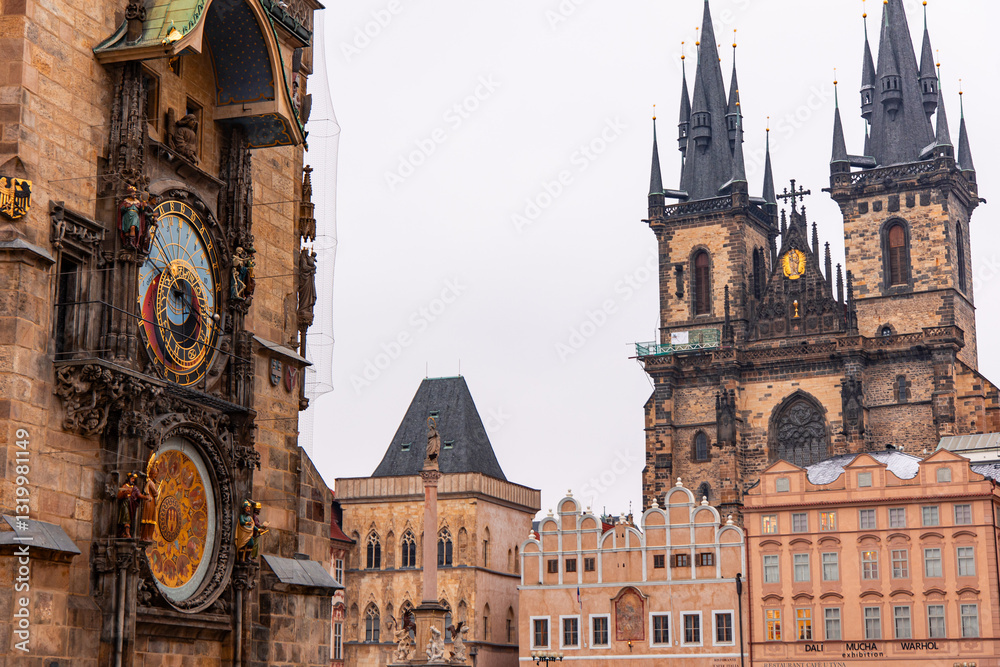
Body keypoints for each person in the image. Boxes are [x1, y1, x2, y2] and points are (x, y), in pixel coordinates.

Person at [139, 454, 160, 542]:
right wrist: (158, 492)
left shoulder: (152, 482)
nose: (155, 475)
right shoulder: (150, 482)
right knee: (148, 519)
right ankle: (145, 536)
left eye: (156, 474)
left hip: (151, 502)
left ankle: (148, 536)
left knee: (151, 520)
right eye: (154, 474)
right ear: (151, 474)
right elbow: (155, 493)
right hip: (149, 502)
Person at [117, 473, 142, 538]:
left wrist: (146, 497)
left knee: (130, 519)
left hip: (131, 505)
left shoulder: (134, 488)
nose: (133, 480)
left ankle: (126, 533)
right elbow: (119, 496)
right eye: (132, 478)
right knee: (126, 518)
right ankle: (127, 533)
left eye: (134, 479)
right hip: (125, 504)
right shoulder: (125, 486)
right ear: (129, 478)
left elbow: (139, 495)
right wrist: (124, 493)